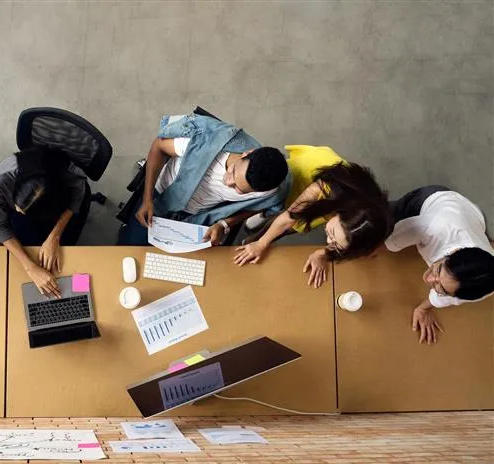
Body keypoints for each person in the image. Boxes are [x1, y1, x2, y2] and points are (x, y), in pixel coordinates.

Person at [119, 113, 291, 246]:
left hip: (196, 218)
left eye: (239, 190)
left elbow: (257, 206)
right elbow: (159, 146)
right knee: (130, 250)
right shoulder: (204, 140)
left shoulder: (273, 189)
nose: (228, 183)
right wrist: (147, 198)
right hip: (161, 197)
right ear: (248, 153)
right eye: (232, 172)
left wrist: (224, 223)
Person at [234, 146, 391, 287]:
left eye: (336, 244)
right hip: (307, 176)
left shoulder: (376, 227)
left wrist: (322, 253)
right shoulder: (325, 188)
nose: (328, 241)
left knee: (299, 224)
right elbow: (288, 219)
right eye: (332, 234)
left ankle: (263, 224)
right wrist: (261, 244)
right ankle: (264, 216)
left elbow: (355, 245)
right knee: (285, 210)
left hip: (333, 204)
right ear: (340, 214)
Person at [385, 186, 494, 345]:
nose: (428, 279)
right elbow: (388, 244)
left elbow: (449, 299)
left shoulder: (482, 286)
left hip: (474, 218)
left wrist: (423, 308)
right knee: (385, 219)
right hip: (434, 199)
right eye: (438, 269)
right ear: (454, 251)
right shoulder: (433, 227)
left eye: (441, 288)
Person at [0, 146, 88, 298]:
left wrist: (54, 236)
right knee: (29, 261)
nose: (18, 209)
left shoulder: (72, 175)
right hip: (26, 220)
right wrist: (30, 267)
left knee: (67, 264)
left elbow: (75, 202)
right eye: (18, 205)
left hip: (56, 211)